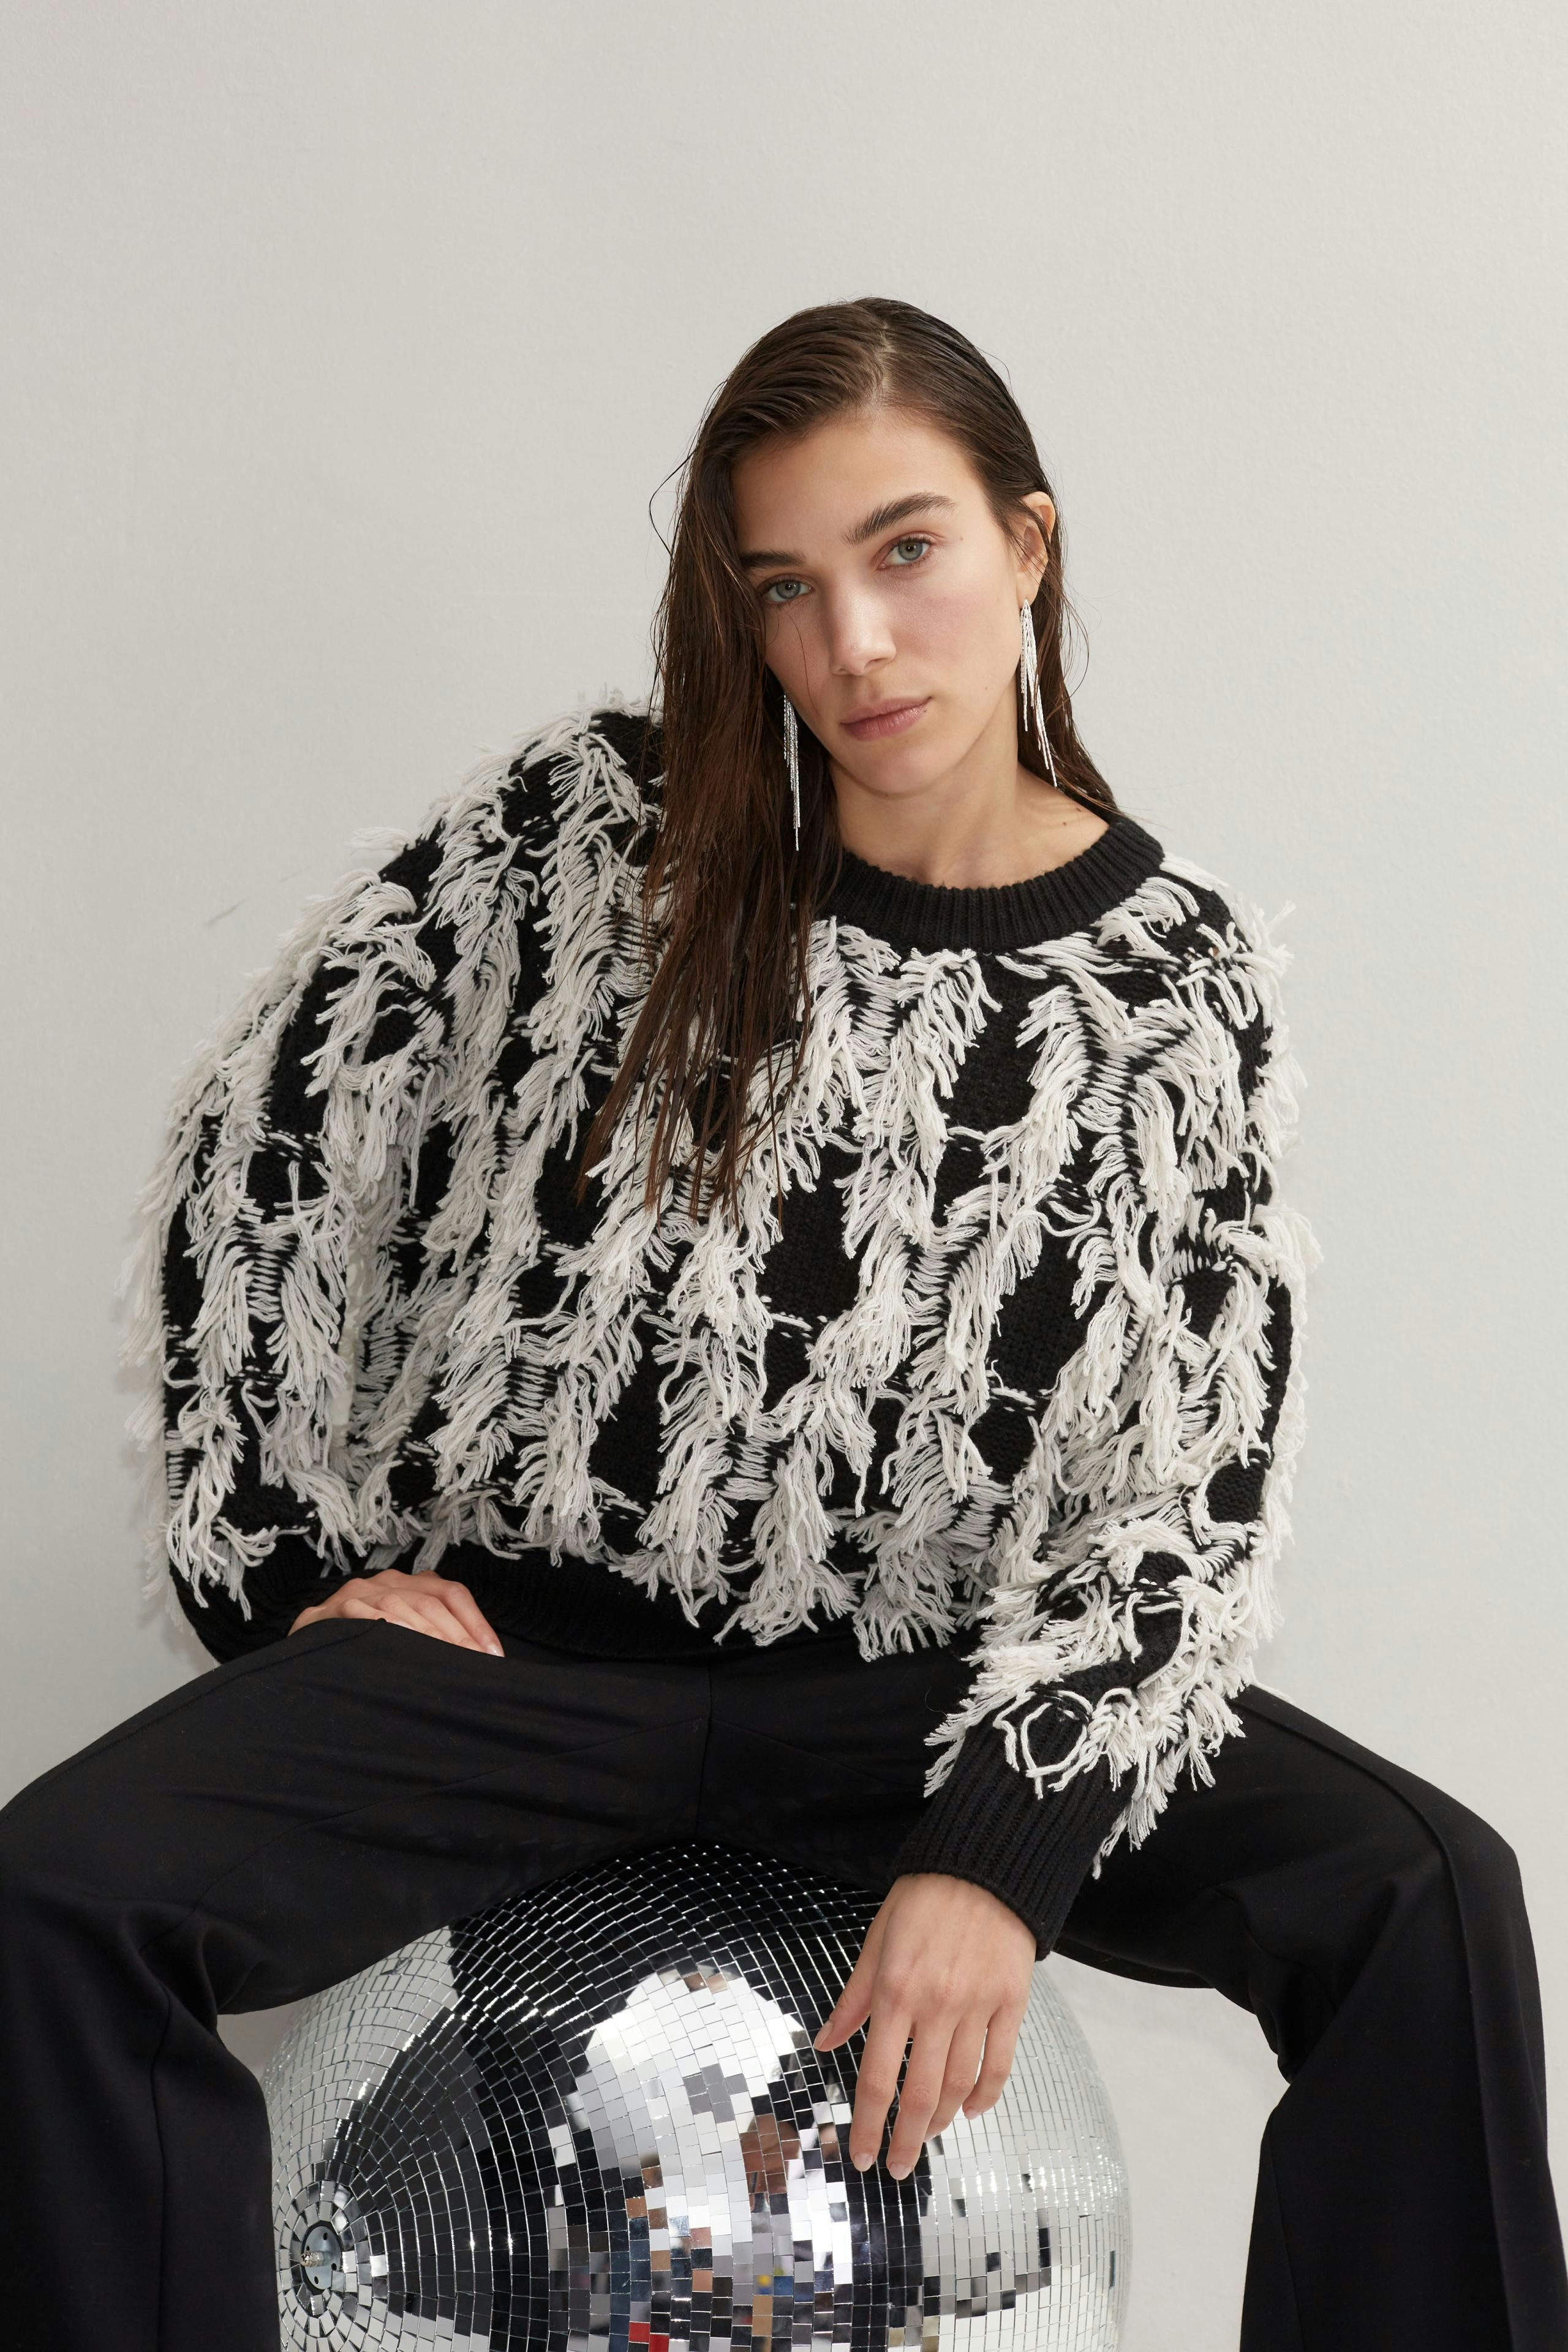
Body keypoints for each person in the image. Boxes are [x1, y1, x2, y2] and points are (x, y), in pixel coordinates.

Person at [1, 296, 1562, 2352]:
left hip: (917, 1706)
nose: (856, 647)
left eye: (907, 551)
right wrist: (295, 1572)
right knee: (51, 1900)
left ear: (1031, 541)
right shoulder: (590, 837)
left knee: (1427, 1899)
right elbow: (268, 1146)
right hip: (525, 1667)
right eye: (785, 589)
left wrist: (1000, 1855)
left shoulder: (1170, 992)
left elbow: (1180, 1498)